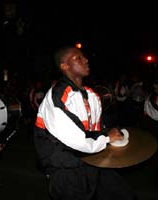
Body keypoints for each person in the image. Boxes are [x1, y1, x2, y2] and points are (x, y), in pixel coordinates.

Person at [34, 46, 136, 200]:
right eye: (78, 58)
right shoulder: (57, 97)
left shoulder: (91, 95)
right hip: (66, 168)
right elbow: (77, 140)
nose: (86, 60)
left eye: (84, 57)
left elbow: (96, 127)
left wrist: (109, 132)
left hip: (91, 160)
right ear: (64, 66)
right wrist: (107, 138)